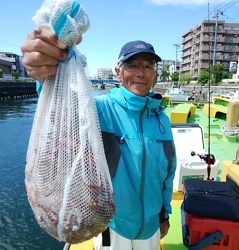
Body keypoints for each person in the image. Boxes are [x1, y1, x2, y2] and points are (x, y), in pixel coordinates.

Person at [21, 28, 176, 250]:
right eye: (132, 65)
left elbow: (167, 173)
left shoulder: (162, 119)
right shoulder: (98, 110)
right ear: (118, 72)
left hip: (150, 226)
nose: (141, 72)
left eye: (148, 65)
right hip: (112, 227)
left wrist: (164, 214)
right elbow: (64, 104)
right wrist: (46, 67)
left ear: (155, 74)